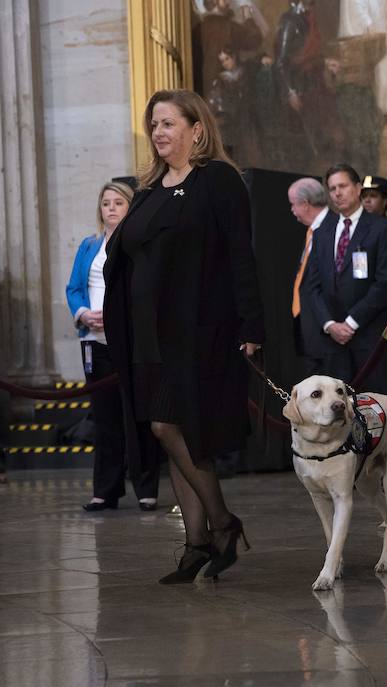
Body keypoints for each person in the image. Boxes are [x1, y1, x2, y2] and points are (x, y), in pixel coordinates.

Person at [103, 89, 265, 584]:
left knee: (169, 427)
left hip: (197, 329)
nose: (158, 133)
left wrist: (251, 323)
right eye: (154, 125)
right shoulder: (148, 189)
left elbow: (241, 255)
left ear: (197, 129)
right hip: (147, 333)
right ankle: (197, 543)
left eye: (168, 123)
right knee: (172, 432)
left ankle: (223, 522)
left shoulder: (218, 181)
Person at [66, 181, 161, 512]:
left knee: (138, 416)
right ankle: (105, 491)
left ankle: (147, 488)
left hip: (131, 344)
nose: (110, 208)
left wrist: (119, 318)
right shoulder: (89, 245)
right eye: (105, 203)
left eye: (118, 202)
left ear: (130, 207)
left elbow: (147, 292)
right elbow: (74, 288)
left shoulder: (140, 246)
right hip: (95, 343)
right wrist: (83, 313)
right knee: (105, 420)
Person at [302, 164, 387, 396]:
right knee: (339, 415)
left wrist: (351, 323)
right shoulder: (322, 232)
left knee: (376, 411)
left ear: (357, 189)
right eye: (332, 188)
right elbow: (312, 285)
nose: (337, 193)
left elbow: (385, 283)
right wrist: (329, 325)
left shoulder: (382, 228)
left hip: (370, 338)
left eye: (343, 186)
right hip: (333, 341)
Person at [288, 176, 333, 364]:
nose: (292, 211)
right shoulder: (312, 231)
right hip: (309, 323)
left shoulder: (332, 228)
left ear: (305, 204)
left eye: (293, 204)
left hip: (326, 326)